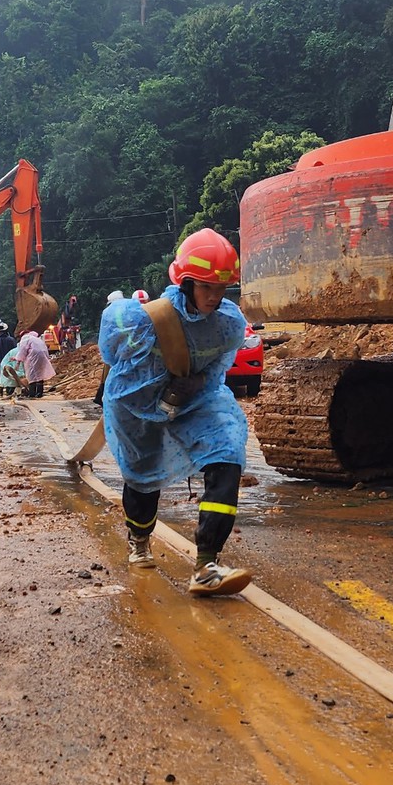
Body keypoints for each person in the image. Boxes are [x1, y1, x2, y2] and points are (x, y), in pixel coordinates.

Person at [98, 228, 252, 597]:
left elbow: (218, 367)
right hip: (136, 409)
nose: (214, 297)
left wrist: (196, 384)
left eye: (221, 288)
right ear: (184, 283)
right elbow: (110, 356)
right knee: (142, 479)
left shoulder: (227, 324)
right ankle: (139, 539)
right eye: (205, 287)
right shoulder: (136, 320)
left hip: (194, 403)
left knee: (227, 453)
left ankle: (207, 563)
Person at [14, 325, 55, 399]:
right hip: (43, 355)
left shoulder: (25, 338)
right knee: (40, 373)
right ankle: (39, 393)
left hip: (33, 356)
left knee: (31, 375)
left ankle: (32, 393)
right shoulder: (36, 338)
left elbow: (23, 350)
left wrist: (18, 361)